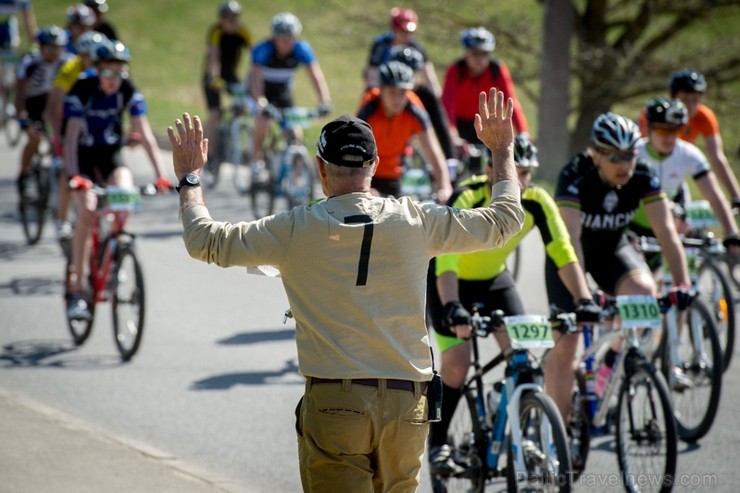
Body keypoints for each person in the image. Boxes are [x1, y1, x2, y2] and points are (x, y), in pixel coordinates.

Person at [168, 88, 524, 492]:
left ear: (321, 168)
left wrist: (190, 177)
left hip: (337, 403)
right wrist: (502, 149)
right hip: (407, 405)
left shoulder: (295, 229)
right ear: (373, 166)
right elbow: (505, 221)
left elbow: (204, 240)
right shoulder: (416, 220)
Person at [425, 136, 599, 474]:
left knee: (522, 356)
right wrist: (453, 307)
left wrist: (584, 300)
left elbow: (563, 251)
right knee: (458, 362)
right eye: (514, 173)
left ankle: (519, 423)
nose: (521, 182)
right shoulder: (469, 195)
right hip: (448, 281)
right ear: (492, 169)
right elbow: (447, 257)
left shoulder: (536, 201)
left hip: (493, 279)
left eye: (527, 174)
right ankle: (439, 443)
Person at [548, 112, 693, 397]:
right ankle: (559, 433)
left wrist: (683, 284)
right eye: (614, 157)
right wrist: (584, 296)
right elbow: (570, 239)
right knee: (567, 344)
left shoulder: (642, 174)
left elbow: (666, 231)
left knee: (644, 291)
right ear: (596, 154)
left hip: (612, 250)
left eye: (629, 155)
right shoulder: (575, 174)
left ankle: (611, 360)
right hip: (570, 256)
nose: (624, 164)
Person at [64, 39, 171, 320]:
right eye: (108, 73)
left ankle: (114, 253)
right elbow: (71, 137)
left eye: (119, 73)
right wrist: (75, 175)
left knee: (125, 194)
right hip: (83, 159)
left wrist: (160, 175)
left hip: (110, 156)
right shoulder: (82, 89)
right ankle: (77, 287)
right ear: (97, 70)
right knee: (87, 211)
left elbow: (145, 134)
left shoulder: (127, 90)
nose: (113, 80)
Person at [632, 97, 739, 262]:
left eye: (674, 131)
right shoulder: (634, 153)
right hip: (632, 225)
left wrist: (731, 231)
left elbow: (714, 194)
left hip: (668, 224)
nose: (668, 138)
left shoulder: (689, 154)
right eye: (662, 130)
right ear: (649, 129)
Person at [639, 69, 740, 207]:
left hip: (677, 172)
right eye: (685, 99)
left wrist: (736, 195)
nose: (691, 105)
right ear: (672, 96)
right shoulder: (655, 116)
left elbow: (717, 157)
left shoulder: (704, 117)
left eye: (696, 99)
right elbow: (650, 154)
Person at [249, 12, 331, 178]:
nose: (286, 42)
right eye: (282, 37)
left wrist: (324, 101)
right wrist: (260, 101)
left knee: (295, 132)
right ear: (274, 37)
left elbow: (316, 75)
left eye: (290, 37)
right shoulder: (263, 49)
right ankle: (256, 159)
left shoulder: (301, 49)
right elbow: (255, 80)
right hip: (260, 91)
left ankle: (297, 174)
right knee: (263, 122)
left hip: (282, 92)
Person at [356, 60, 452, 203]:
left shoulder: (414, 109)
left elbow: (433, 151)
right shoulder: (369, 107)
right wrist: (363, 185)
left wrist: (445, 187)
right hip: (367, 173)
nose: (398, 99)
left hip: (395, 174)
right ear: (381, 90)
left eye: (402, 92)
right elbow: (356, 151)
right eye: (392, 92)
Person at [46, 29, 108, 242]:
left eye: (95, 56)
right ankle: (62, 220)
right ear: (80, 55)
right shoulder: (70, 69)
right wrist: (58, 137)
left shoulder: (106, 70)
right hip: (68, 122)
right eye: (87, 56)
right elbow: (54, 105)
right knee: (68, 170)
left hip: (93, 126)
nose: (91, 60)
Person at [442, 27, 528, 162]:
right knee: (453, 163)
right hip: (459, 125)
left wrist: (523, 133)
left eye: (484, 53)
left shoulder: (496, 70)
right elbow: (448, 105)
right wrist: (452, 135)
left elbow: (512, 102)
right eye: (475, 53)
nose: (480, 59)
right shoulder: (455, 71)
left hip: (486, 123)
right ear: (465, 53)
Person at [14, 26, 70, 200]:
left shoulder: (68, 63)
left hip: (57, 106)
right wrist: (22, 116)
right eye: (49, 48)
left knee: (63, 141)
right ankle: (23, 174)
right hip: (34, 105)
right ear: (40, 47)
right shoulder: (30, 63)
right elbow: (20, 93)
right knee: (35, 138)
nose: (53, 53)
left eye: (57, 48)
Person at [388, 43, 458, 179]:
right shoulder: (381, 95)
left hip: (418, 143)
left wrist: (450, 157)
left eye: (413, 73)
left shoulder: (425, 94)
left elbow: (440, 125)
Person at [202, 0, 252, 167]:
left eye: (235, 17)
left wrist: (253, 81)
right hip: (211, 74)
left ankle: (232, 131)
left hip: (230, 75)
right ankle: (208, 153)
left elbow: (255, 58)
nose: (233, 21)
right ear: (222, 19)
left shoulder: (243, 32)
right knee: (215, 113)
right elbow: (214, 57)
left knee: (244, 104)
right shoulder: (216, 32)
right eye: (229, 18)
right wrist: (214, 78)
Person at [364, 7, 442, 98]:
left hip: (408, 92)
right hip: (383, 91)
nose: (406, 35)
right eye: (402, 31)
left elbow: (429, 76)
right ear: (394, 29)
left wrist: (437, 99)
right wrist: (378, 95)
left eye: (409, 32)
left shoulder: (416, 48)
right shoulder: (382, 45)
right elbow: (371, 74)